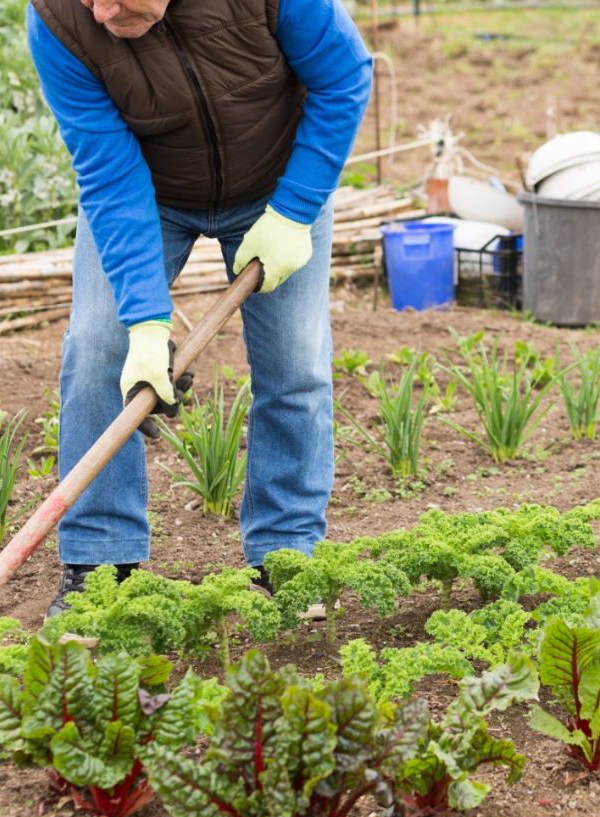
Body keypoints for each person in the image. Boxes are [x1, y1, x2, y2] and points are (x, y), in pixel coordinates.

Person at [25, 0, 373, 616]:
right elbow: (108, 173)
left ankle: (287, 555)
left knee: (296, 367)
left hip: (278, 178)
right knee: (98, 352)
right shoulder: (57, 20)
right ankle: (100, 568)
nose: (102, 12)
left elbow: (343, 77)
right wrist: (144, 323)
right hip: (149, 196)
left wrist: (295, 211)